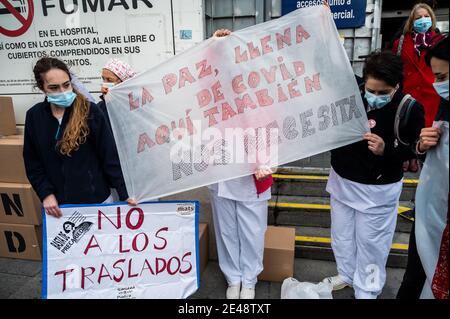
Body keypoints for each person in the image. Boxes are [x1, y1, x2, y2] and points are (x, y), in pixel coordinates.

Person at [322, 51, 425, 299]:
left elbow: (416, 150)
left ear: (396, 86)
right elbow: (329, 60)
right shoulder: (353, 90)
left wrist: (386, 150)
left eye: (383, 92)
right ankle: (346, 274)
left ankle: (367, 288)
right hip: (342, 180)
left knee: (372, 244)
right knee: (342, 236)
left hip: (377, 189)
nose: (375, 96)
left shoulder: (410, 108)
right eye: (371, 90)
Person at [206, 28, 274, 300]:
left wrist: (265, 161)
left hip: (252, 172)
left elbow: (270, 125)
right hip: (220, 170)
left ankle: (249, 279)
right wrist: (215, 43)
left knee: (252, 230)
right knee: (226, 230)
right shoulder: (211, 89)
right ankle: (232, 277)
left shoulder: (261, 90)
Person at [23, 57, 135, 218]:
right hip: (60, 208)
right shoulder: (34, 117)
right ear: (42, 88)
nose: (63, 91)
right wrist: (46, 194)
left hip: (98, 202)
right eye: (54, 87)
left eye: (66, 85)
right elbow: (33, 163)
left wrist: (126, 194)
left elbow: (110, 157)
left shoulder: (90, 112)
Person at [412, 36, 448, 299]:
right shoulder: (444, 105)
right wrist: (422, 145)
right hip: (432, 214)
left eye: (443, 76)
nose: (438, 85)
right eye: (436, 77)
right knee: (416, 273)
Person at [392, 3, 444, 127]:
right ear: (412, 21)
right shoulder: (400, 43)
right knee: (411, 131)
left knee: (432, 134)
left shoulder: (441, 41)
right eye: (418, 17)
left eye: (426, 16)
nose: (423, 20)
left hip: (434, 95)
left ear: (432, 19)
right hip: (409, 96)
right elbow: (395, 68)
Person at [98, 58, 137, 127]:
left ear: (124, 82)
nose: (105, 84)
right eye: (103, 79)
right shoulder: (100, 108)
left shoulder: (138, 105)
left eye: (109, 80)